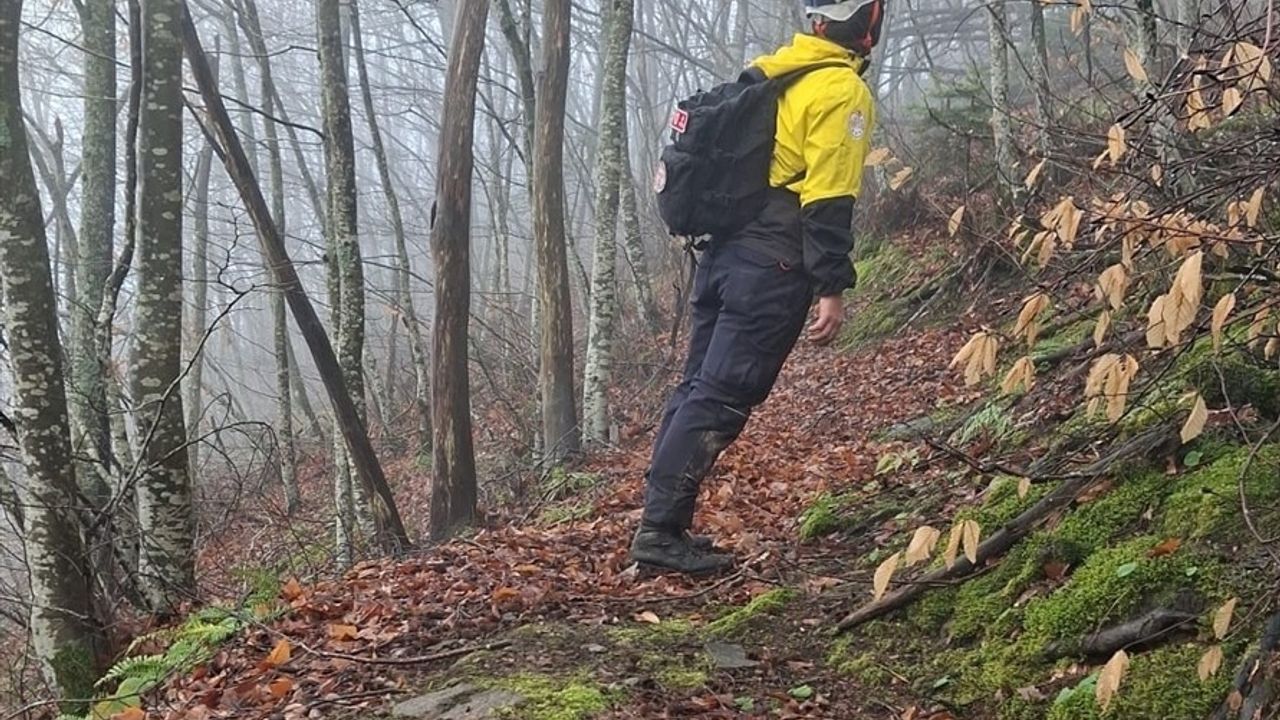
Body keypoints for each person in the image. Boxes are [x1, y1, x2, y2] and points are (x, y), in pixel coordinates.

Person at [630, 0, 885, 575]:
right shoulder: (840, 91)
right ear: (863, 26)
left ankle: (663, 521)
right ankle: (658, 531)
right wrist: (831, 286)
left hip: (724, 253)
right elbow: (827, 198)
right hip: (771, 261)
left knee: (698, 386)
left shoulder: (778, 70)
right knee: (719, 396)